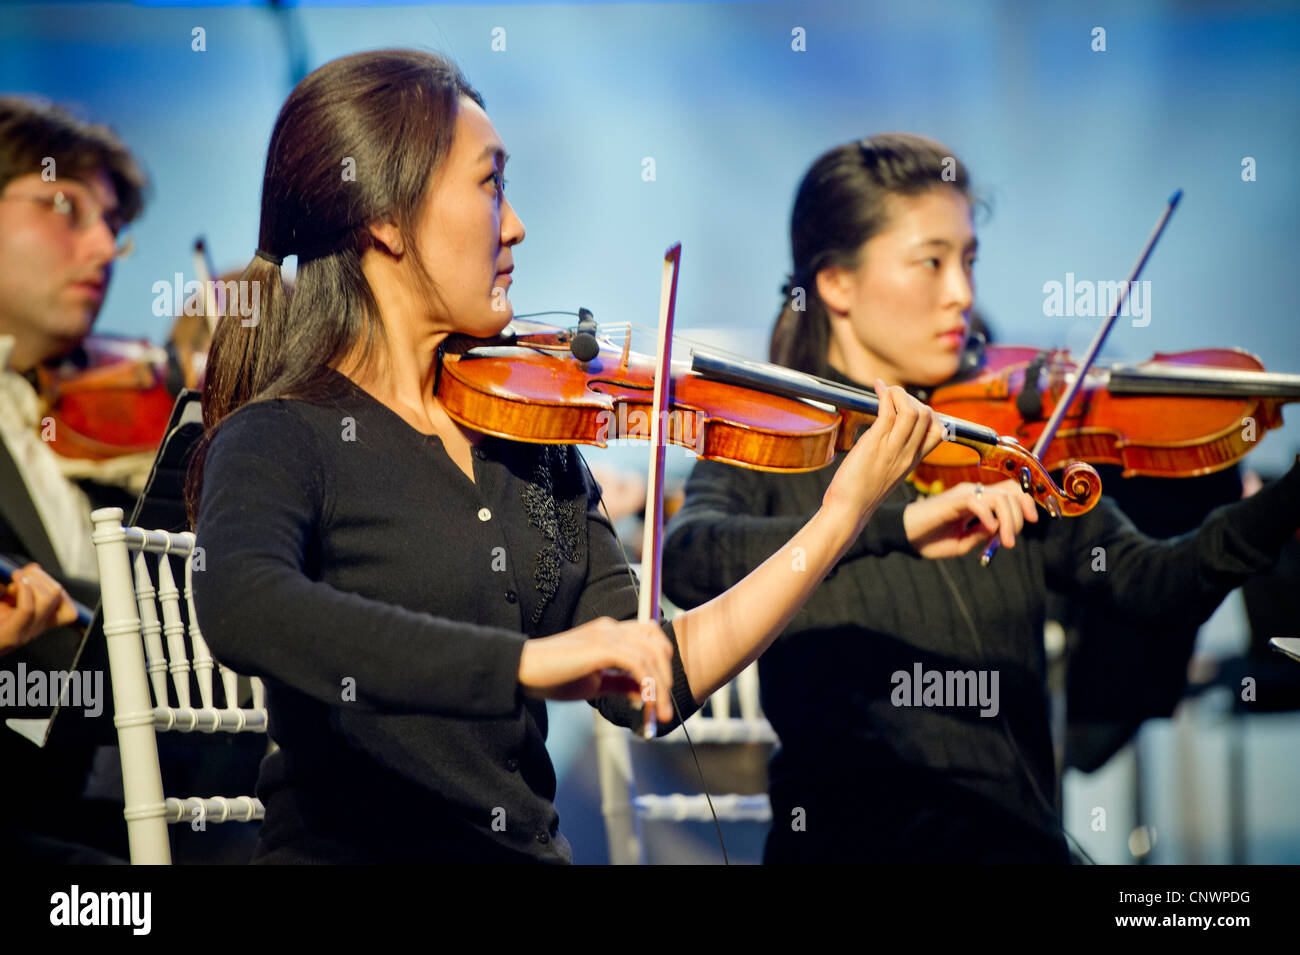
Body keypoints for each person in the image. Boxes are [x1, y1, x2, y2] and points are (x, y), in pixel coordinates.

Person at [185, 49, 946, 864]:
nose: (514, 223)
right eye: (489, 184)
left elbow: (658, 679)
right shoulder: (283, 434)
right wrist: (529, 662)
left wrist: (839, 517)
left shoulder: (531, 440)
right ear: (384, 217)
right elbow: (244, 603)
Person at [661, 133, 1300, 863]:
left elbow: (1157, 585)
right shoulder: (774, 436)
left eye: (968, 260)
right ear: (835, 283)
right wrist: (887, 522)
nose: (962, 293)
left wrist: (1287, 501)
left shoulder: (1005, 443)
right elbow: (690, 558)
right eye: (931, 261)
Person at [0, 94, 147, 861]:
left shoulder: (108, 426)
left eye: (114, 226)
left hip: (130, 806)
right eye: (65, 207)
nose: (102, 249)